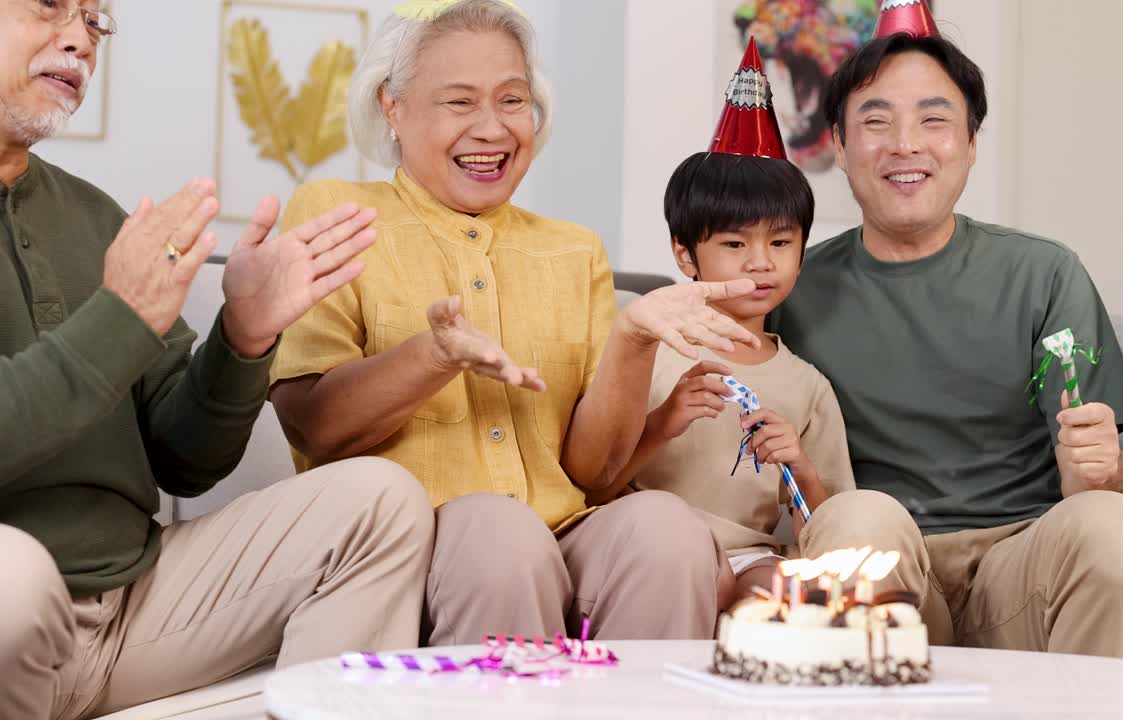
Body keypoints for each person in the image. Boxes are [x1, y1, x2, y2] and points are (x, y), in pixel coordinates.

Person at [269, 0, 758, 646]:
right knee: (503, 539)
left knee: (667, 532)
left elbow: (593, 476)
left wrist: (632, 340)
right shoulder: (337, 214)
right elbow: (314, 425)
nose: (492, 128)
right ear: (393, 107)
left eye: (510, 100)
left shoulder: (574, 248)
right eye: (459, 103)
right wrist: (432, 356)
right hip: (411, 547)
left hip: (561, 534)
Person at [0, 2, 437, 718]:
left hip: (133, 605)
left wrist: (242, 337)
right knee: (10, 578)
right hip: (11, 607)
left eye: (94, 20)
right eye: (51, 5)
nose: (79, 37)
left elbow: (184, 461)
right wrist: (119, 320)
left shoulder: (94, 217)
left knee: (380, 503)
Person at [769, 1, 1123, 659]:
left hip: (1018, 567)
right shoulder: (792, 289)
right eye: (876, 121)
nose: (905, 145)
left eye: (934, 119)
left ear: (972, 143)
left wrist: (1101, 466)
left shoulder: (1043, 275)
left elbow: (1096, 477)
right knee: (862, 518)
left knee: (1114, 523)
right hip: (881, 561)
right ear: (837, 144)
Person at [586, 40, 855, 610]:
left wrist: (799, 465)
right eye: (734, 244)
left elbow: (828, 530)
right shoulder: (648, 350)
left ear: (802, 255)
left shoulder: (807, 386)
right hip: (654, 550)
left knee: (794, 599)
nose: (761, 262)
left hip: (753, 556)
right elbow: (594, 486)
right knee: (693, 577)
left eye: (780, 243)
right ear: (686, 257)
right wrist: (661, 424)